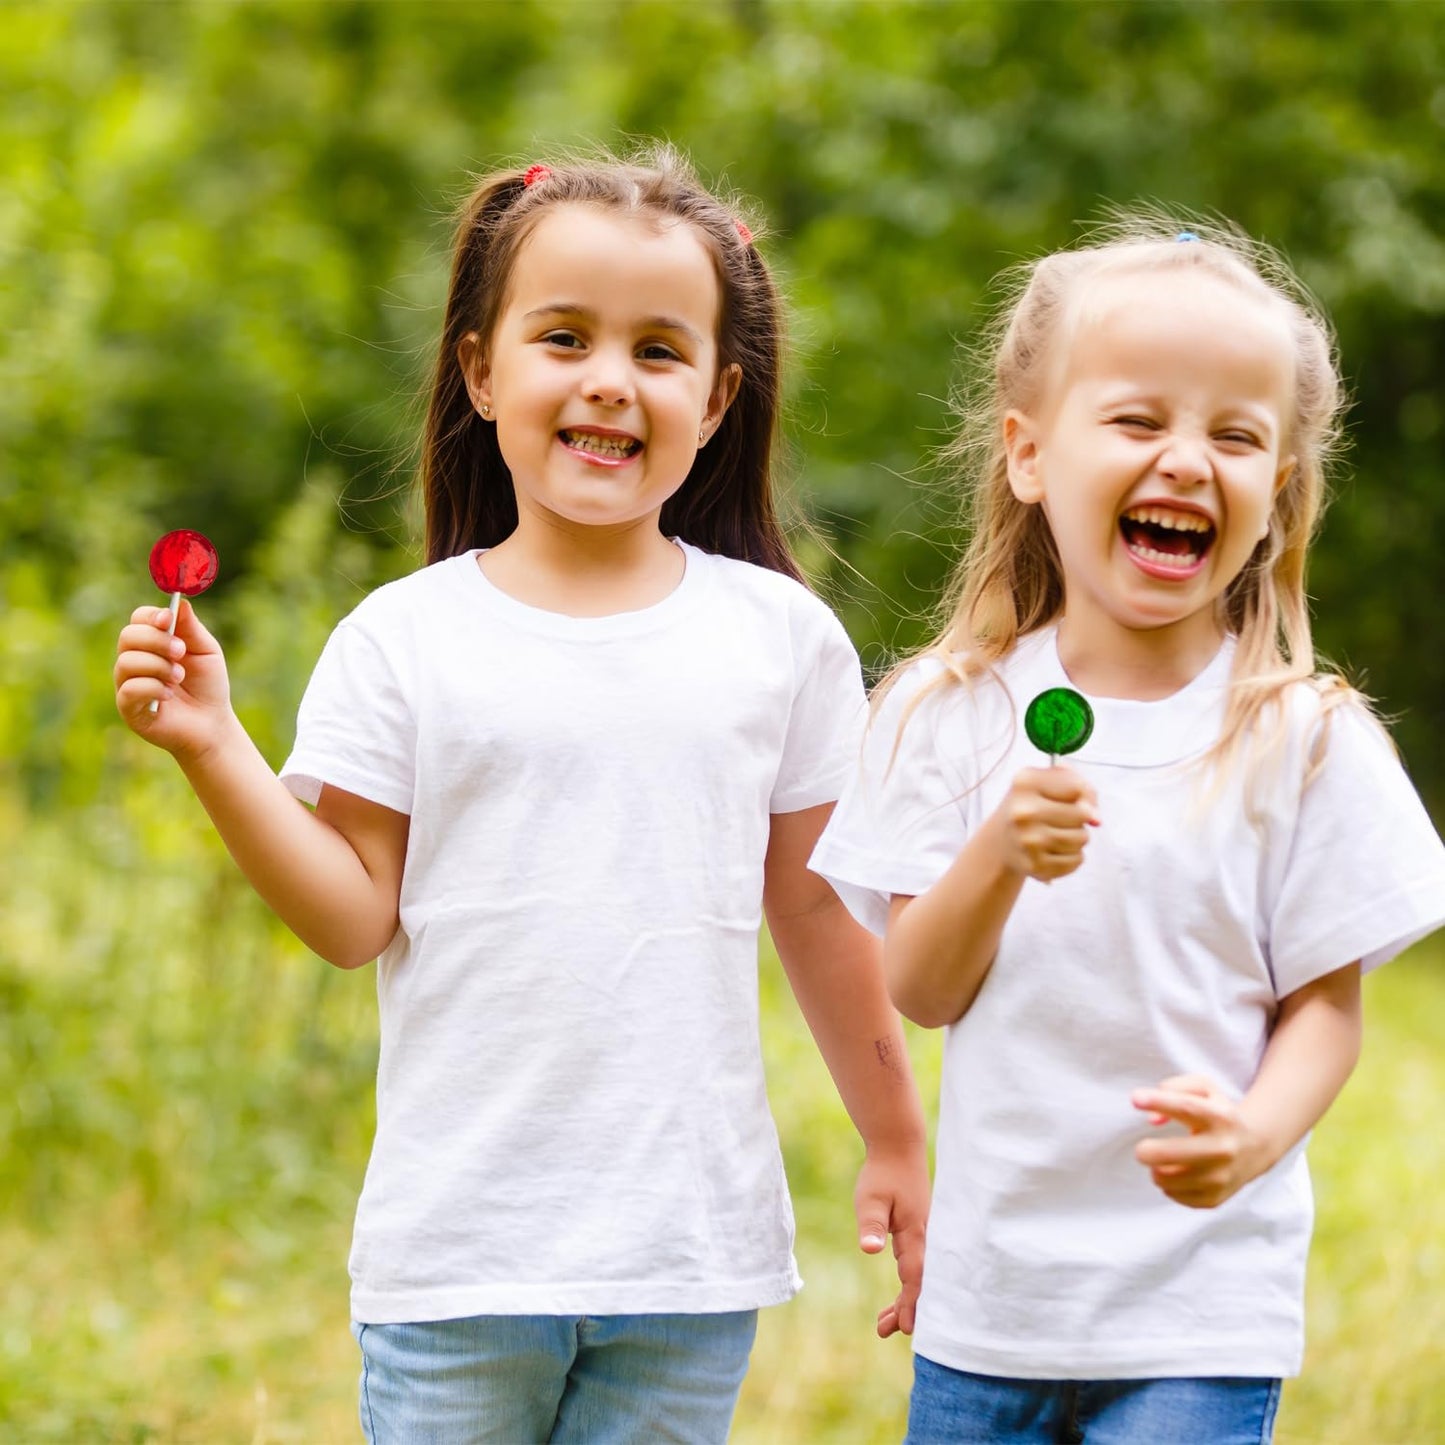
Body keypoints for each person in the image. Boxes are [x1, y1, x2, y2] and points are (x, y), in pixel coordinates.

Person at [115, 148, 929, 1445]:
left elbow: (824, 917)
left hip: (685, 1254)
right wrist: (216, 746)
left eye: (658, 351)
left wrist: (895, 1135)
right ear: (484, 370)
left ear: (718, 398)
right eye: (565, 338)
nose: (609, 378)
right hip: (461, 1257)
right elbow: (347, 917)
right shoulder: (402, 638)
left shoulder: (781, 640)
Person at [810, 217, 1445, 1444]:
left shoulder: (1302, 739)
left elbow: (1324, 1010)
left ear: (1276, 495)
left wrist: (1254, 1134)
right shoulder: (947, 713)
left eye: (1234, 435)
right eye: (1138, 419)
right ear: (1030, 453)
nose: (1184, 460)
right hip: (993, 1308)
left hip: (1195, 1308)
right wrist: (996, 853)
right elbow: (921, 986)